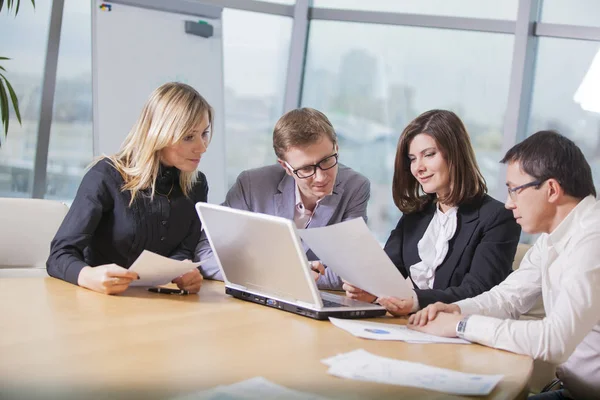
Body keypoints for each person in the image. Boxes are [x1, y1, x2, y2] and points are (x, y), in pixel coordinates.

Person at [408, 131, 600, 400]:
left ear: (552, 189)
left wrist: (462, 325)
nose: (509, 203)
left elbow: (555, 341)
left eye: (514, 190)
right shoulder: (552, 239)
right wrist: (455, 309)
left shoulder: (593, 239)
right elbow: (508, 298)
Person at [344, 109, 521, 314]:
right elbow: (385, 271)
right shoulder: (416, 214)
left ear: (455, 154)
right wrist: (367, 288)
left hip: (465, 333)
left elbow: (478, 292)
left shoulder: (498, 218)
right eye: (412, 158)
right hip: (417, 328)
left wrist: (415, 300)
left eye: (428, 155)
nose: (418, 167)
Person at [47, 82, 211, 295]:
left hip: (158, 307)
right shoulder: (106, 176)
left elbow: (183, 250)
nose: (202, 147)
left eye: (204, 133)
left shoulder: (197, 186)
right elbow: (59, 255)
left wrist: (183, 272)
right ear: (159, 134)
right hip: (96, 303)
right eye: (189, 137)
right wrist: (88, 276)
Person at [195, 107, 370, 289]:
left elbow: (354, 268)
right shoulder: (252, 185)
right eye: (306, 169)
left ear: (336, 148)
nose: (320, 177)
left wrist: (296, 278)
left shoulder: (355, 187)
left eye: (327, 160)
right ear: (285, 167)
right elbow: (206, 254)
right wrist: (283, 275)